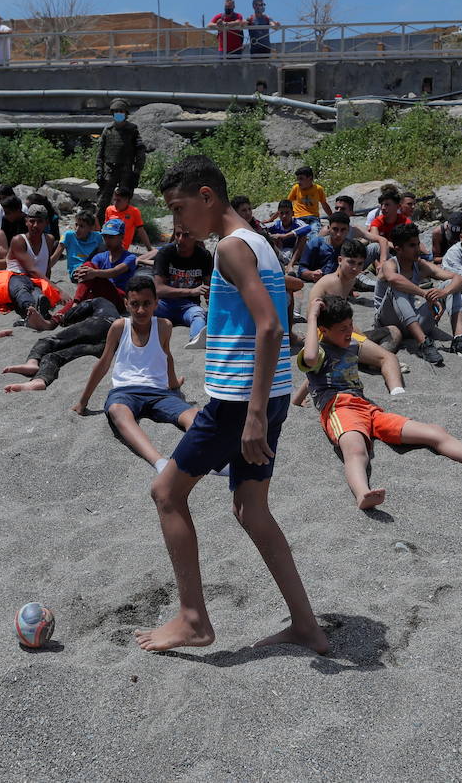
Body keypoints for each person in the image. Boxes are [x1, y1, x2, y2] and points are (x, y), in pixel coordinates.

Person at [136, 154, 326, 654]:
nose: (177, 223)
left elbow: (271, 326)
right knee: (251, 509)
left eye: (179, 209)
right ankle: (306, 625)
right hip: (270, 392)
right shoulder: (258, 243)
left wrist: (256, 416)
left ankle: (194, 620)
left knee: (166, 494)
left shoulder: (231, 251)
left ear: (206, 197)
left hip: (242, 402)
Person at [300, 295, 462, 510]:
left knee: (434, 432)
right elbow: (311, 361)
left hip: (368, 408)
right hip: (340, 408)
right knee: (355, 449)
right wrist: (311, 317)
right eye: (342, 328)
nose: (349, 331)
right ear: (322, 329)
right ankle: (362, 493)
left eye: (350, 324)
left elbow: (313, 379)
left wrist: (298, 400)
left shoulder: (351, 344)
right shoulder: (317, 350)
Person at [72, 275, 206, 472]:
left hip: (160, 392)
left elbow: (166, 357)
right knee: (117, 410)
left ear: (156, 303)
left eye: (146, 303)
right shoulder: (119, 327)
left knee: (194, 415)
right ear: (126, 304)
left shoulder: (164, 326)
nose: (141, 310)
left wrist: (174, 384)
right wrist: (83, 402)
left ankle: (202, 459)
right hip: (125, 391)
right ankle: (159, 462)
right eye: (135, 304)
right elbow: (103, 363)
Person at [374, 223, 462, 365]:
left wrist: (442, 293)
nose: (417, 249)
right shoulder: (390, 264)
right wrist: (425, 294)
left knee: (450, 286)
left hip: (412, 323)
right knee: (397, 287)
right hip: (387, 323)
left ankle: (459, 340)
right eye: (412, 246)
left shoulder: (420, 264)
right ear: (398, 248)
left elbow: (460, 279)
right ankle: (423, 344)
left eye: (418, 244)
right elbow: (394, 279)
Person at [2, 297, 121, 393]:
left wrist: (64, 317)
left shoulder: (98, 301)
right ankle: (40, 380)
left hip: (101, 323)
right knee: (54, 356)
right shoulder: (117, 314)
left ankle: (32, 363)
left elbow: (71, 315)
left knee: (48, 341)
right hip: (109, 345)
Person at [63, 218, 137, 316]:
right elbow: (89, 272)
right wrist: (81, 272)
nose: (107, 240)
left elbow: (115, 271)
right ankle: (54, 320)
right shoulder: (100, 256)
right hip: (100, 295)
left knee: (91, 270)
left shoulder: (130, 257)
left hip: (119, 299)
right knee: (88, 266)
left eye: (111, 237)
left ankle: (76, 304)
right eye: (105, 237)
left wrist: (93, 273)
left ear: (121, 237)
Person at [154, 226, 212, 349]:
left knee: (199, 315)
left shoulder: (204, 256)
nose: (180, 239)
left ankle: (196, 339)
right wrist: (191, 291)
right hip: (164, 304)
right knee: (144, 310)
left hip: (189, 307)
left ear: (195, 237)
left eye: (186, 235)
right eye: (177, 235)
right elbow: (158, 289)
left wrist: (209, 296)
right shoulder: (165, 253)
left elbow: (209, 287)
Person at [3, 203, 58, 325]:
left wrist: (47, 287)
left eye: (40, 222)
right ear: (26, 221)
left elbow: (47, 266)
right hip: (17, 277)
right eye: (32, 221)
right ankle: (31, 311)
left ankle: (38, 310)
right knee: (21, 289)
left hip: (37, 280)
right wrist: (57, 289)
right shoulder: (18, 240)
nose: (35, 225)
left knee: (39, 295)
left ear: (46, 223)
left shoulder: (49, 240)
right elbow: (31, 269)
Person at [96, 99, 147, 214]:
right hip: (110, 170)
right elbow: (100, 153)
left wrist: (137, 171)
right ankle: (99, 226)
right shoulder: (108, 130)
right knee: (102, 200)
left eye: (121, 111)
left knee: (123, 201)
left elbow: (140, 152)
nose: (119, 113)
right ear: (112, 113)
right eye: (116, 111)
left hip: (126, 171)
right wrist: (99, 171)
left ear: (126, 113)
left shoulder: (132, 130)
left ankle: (123, 226)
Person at [297, 211, 354, 284]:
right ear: (329, 228)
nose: (339, 234)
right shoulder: (316, 243)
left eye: (343, 230)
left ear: (348, 230)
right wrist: (311, 274)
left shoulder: (351, 248)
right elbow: (301, 270)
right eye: (335, 229)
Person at [364, 186, 412, 267]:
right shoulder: (377, 221)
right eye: (382, 204)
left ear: (397, 207)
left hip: (401, 257)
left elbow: (409, 244)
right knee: (374, 246)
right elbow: (375, 241)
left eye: (387, 205)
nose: (383, 208)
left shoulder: (406, 222)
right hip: (382, 257)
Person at [52, 209, 103, 278]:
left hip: (92, 269)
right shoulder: (68, 236)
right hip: (76, 271)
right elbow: (55, 257)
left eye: (82, 226)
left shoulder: (97, 237)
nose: (77, 229)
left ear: (90, 228)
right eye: (76, 225)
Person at [264, 200, 313, 270]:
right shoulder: (275, 225)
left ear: (292, 213)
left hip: (296, 252)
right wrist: (270, 235)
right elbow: (260, 228)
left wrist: (285, 235)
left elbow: (308, 227)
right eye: (281, 213)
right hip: (281, 251)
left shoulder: (297, 223)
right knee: (268, 236)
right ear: (278, 214)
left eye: (287, 213)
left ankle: (291, 263)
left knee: (303, 236)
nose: (284, 216)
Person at [104, 185, 153, 252]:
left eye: (118, 200)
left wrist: (149, 249)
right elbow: (105, 230)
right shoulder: (109, 209)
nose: (115, 203)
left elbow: (141, 231)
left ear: (126, 200)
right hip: (108, 246)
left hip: (122, 248)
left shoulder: (134, 212)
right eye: (114, 200)